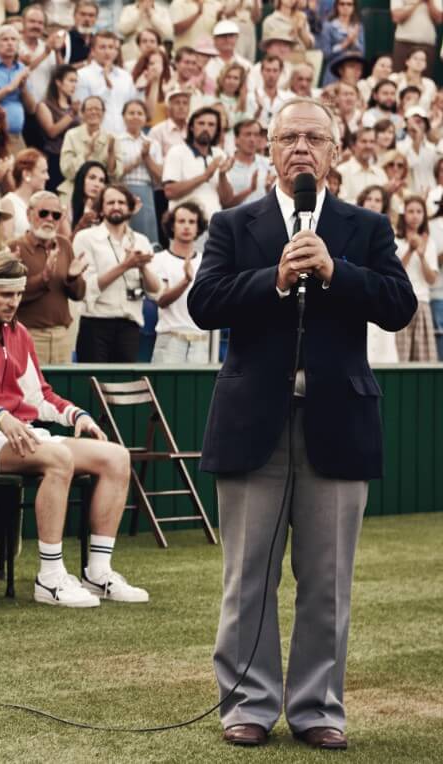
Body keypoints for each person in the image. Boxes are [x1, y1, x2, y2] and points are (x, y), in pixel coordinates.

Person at [187, 98, 417, 751]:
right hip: (252, 420)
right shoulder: (235, 223)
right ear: (269, 145)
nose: (301, 149)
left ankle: (318, 707)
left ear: (335, 149)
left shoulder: (365, 226)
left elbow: (399, 305)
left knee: (327, 577)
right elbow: (204, 304)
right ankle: (248, 703)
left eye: (315, 138)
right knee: (247, 575)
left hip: (337, 420)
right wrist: (276, 278)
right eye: (289, 136)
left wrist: (336, 272)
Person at [0, 252, 147, 608]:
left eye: (17, 294)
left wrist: (77, 416)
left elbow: (39, 395)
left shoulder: (19, 333)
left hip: (23, 434)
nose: (14, 303)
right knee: (59, 457)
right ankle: (50, 578)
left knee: (116, 457)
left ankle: (98, 572)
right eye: (5, 295)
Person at [73, 183, 160, 362]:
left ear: (129, 208)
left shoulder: (141, 240)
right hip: (96, 324)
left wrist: (141, 267)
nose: (116, 206)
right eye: (110, 202)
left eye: (121, 202)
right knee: (92, 385)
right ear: (101, 209)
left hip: (130, 325)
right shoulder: (86, 238)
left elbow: (155, 290)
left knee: (124, 385)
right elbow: (86, 288)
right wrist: (125, 265)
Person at [11, 190, 87, 365]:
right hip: (29, 334)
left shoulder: (65, 245)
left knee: (61, 389)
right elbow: (13, 295)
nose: (50, 219)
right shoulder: (16, 248)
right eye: (43, 213)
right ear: (29, 214)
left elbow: (79, 295)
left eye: (56, 215)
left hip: (62, 335)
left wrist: (72, 277)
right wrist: (43, 277)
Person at [151, 202, 209, 363]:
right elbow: (162, 300)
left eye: (192, 222)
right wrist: (186, 281)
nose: (186, 227)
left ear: (198, 227)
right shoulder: (159, 259)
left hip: (201, 341)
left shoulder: (207, 262)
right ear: (172, 226)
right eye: (181, 221)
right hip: (170, 338)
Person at [162, 105, 229, 221]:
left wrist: (222, 176)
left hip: (214, 224)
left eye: (211, 125)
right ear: (192, 127)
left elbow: (226, 200)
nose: (206, 128)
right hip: (184, 225)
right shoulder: (177, 151)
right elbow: (170, 191)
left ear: (217, 130)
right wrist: (205, 176)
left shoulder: (220, 154)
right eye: (201, 123)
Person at [393, 195, 438, 362]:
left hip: (422, 302)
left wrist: (421, 255)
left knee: (423, 359)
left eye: (419, 211)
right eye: (411, 211)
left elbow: (432, 278)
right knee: (400, 358)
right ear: (404, 214)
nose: (415, 215)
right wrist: (410, 250)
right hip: (400, 301)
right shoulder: (395, 240)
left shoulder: (430, 243)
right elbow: (395, 273)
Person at [112, 99, 162, 243]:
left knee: (147, 239)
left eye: (140, 113)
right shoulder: (115, 141)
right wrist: (138, 160)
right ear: (123, 116)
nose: (135, 116)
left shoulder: (153, 143)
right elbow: (113, 174)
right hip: (121, 189)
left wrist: (147, 158)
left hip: (146, 192)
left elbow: (160, 178)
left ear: (146, 118)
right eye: (131, 113)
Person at [74, 31, 137, 137]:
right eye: (102, 47)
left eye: (111, 47)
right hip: (95, 137)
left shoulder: (126, 76)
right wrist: (106, 86)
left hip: (123, 136)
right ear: (93, 51)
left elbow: (131, 107)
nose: (107, 52)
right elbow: (82, 111)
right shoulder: (82, 75)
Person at [58, 97, 112, 205]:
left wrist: (112, 155)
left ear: (104, 113)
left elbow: (115, 175)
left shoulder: (112, 138)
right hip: (72, 191)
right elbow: (66, 170)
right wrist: (87, 152)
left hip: (99, 195)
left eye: (97, 109)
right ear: (82, 113)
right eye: (89, 109)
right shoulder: (71, 135)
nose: (93, 112)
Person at [36, 64, 81, 193]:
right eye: (71, 81)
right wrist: (71, 114)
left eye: (76, 81)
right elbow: (51, 131)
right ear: (58, 82)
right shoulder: (45, 105)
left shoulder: (74, 106)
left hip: (73, 159)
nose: (74, 85)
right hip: (55, 158)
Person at [336, 126, 387, 204]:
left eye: (372, 142)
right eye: (364, 141)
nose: (368, 146)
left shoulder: (380, 173)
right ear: (353, 145)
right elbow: (340, 203)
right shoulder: (342, 171)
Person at [390, 0, 442, 74]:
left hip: (427, 43)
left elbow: (439, 19)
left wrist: (429, 2)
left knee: (424, 78)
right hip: (403, 42)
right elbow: (397, 17)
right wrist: (417, 2)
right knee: (398, 75)